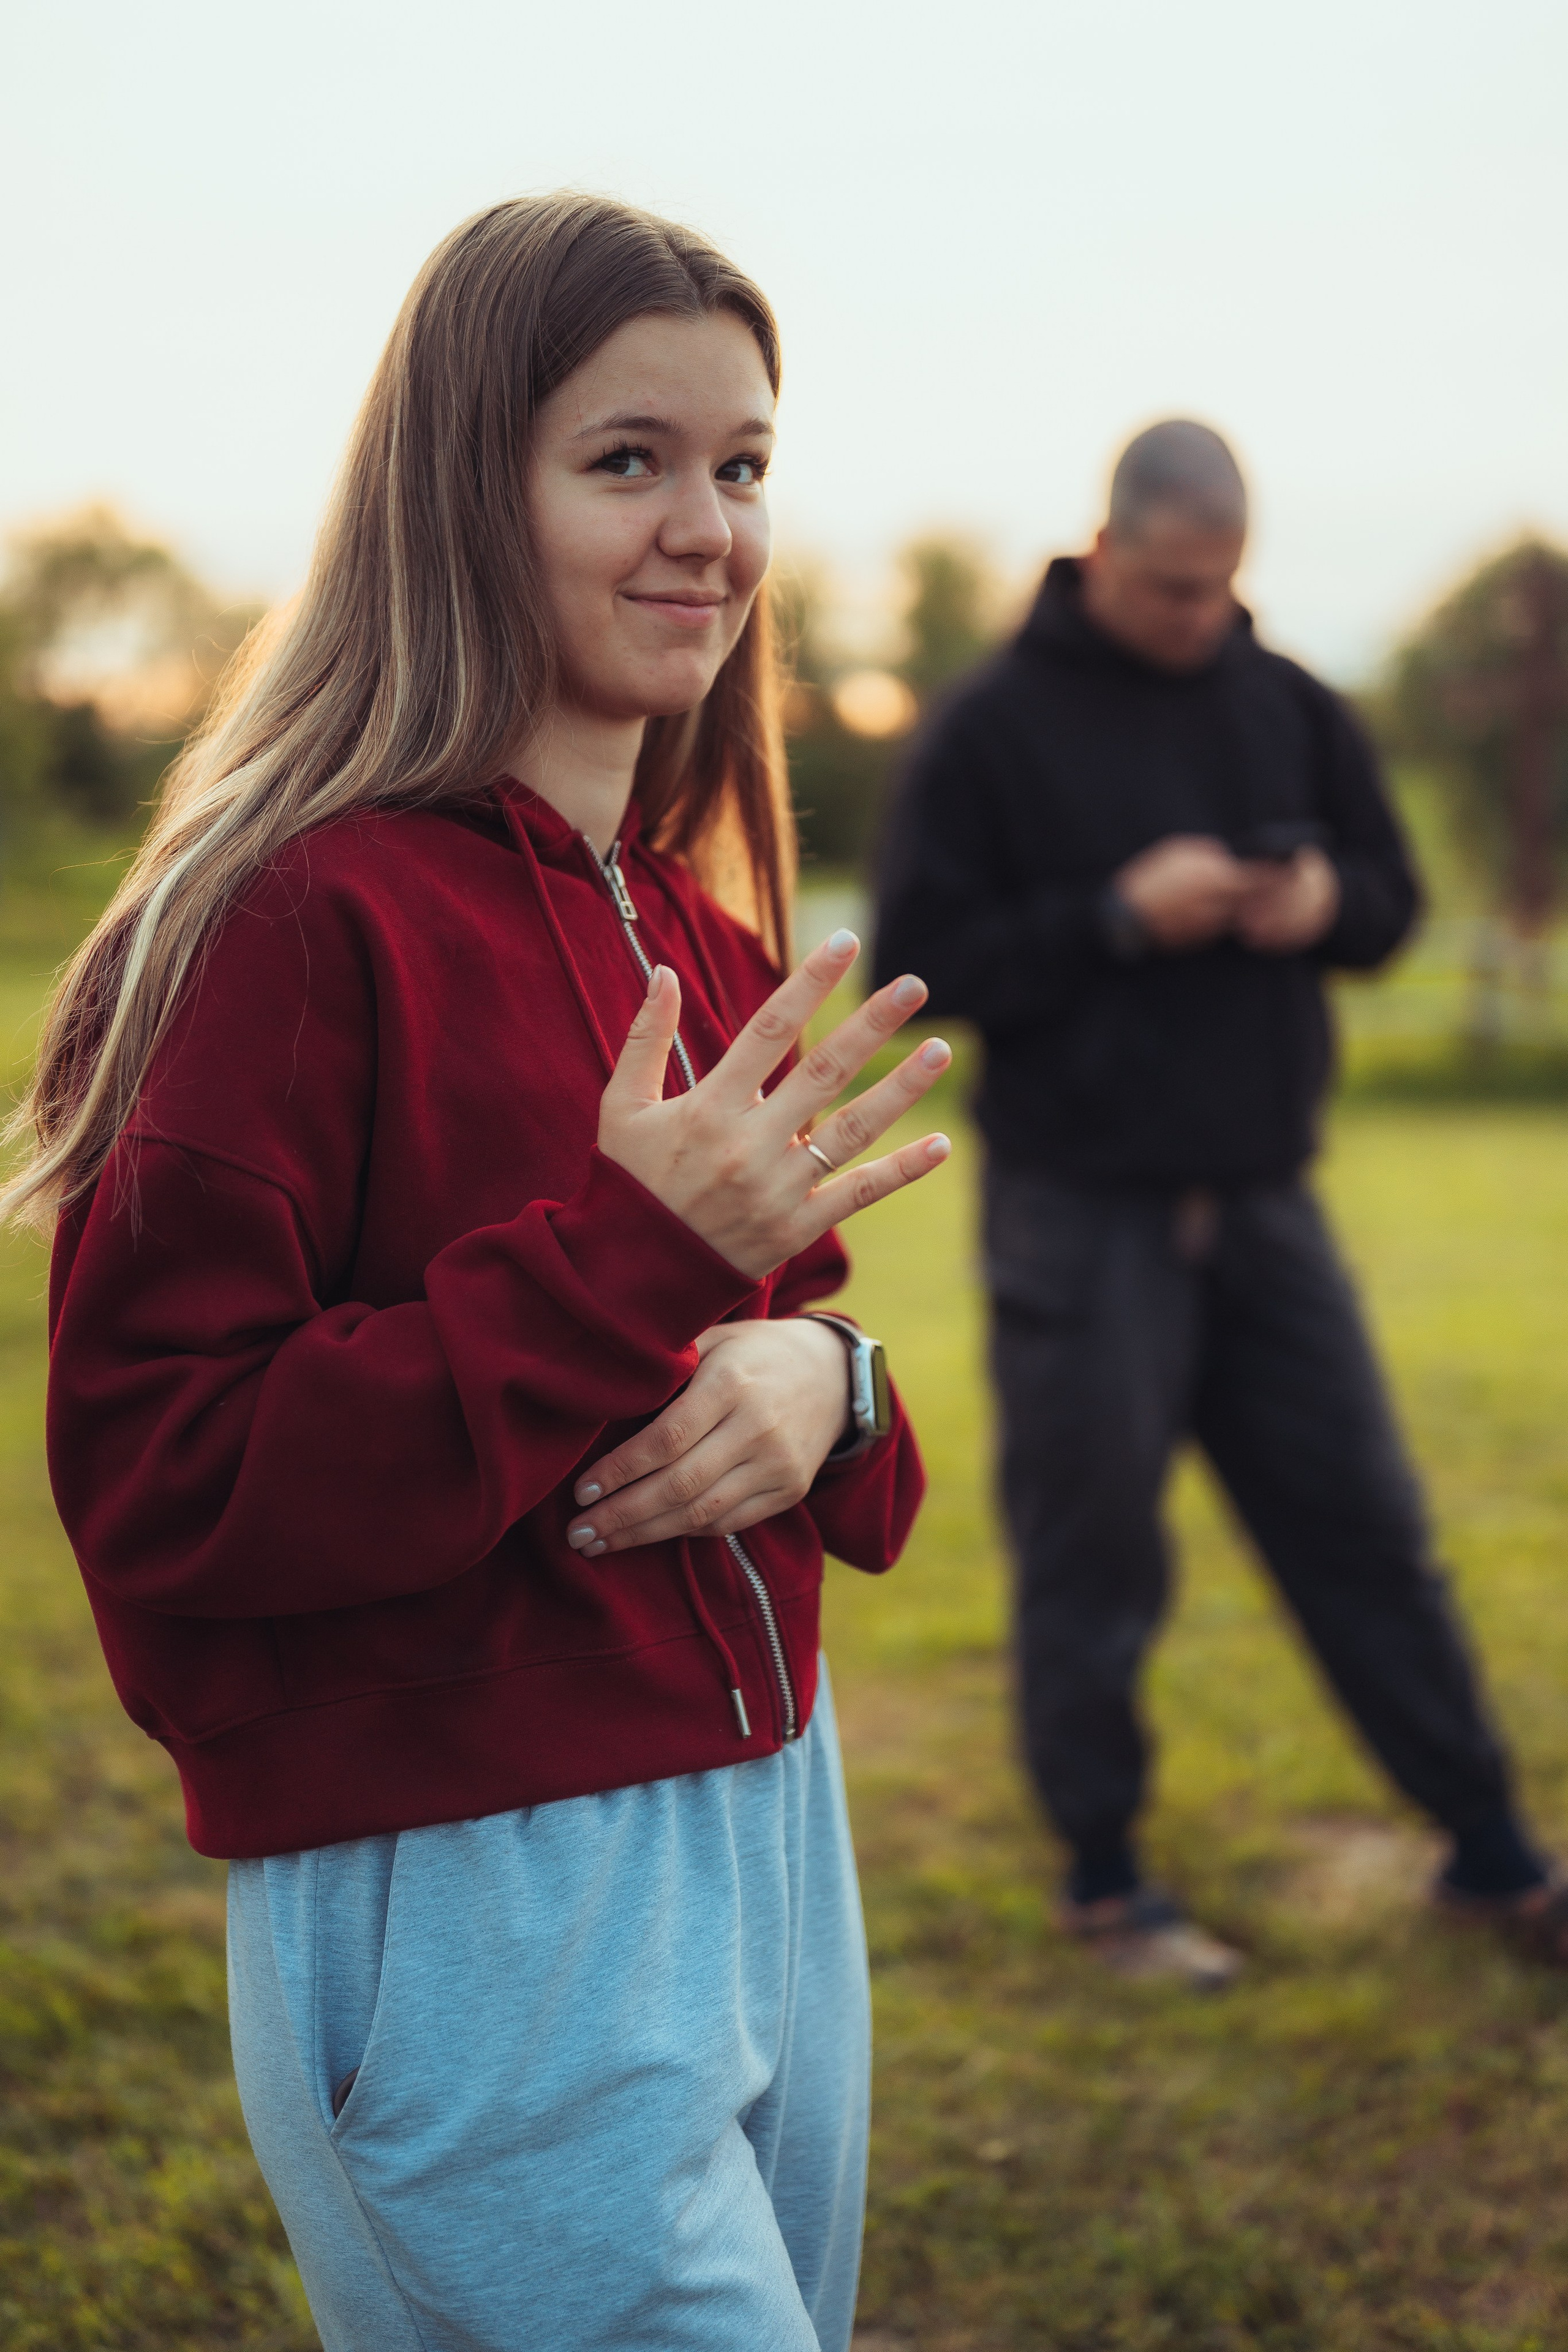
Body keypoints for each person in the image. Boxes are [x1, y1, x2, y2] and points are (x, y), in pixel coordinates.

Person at [10, 196, 956, 2351]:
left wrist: (838, 1391)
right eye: (626, 460)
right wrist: (631, 1261)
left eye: (743, 466)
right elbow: (168, 1483)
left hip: (768, 1841)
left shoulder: (704, 940)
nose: (707, 526)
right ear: (462, 493)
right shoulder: (278, 920)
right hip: (474, 1887)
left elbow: (825, 1419)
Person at [873, 418, 1564, 1985]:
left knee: (1369, 1533)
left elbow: (1390, 906)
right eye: (1173, 587)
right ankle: (1105, 1885)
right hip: (1078, 1207)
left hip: (1265, 1203)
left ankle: (1491, 1853)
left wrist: (1325, 905)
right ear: (1106, 549)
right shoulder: (988, 727)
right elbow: (927, 959)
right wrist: (1119, 916)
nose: (1200, 618)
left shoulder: (1289, 704)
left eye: (1222, 588)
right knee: (1095, 1554)